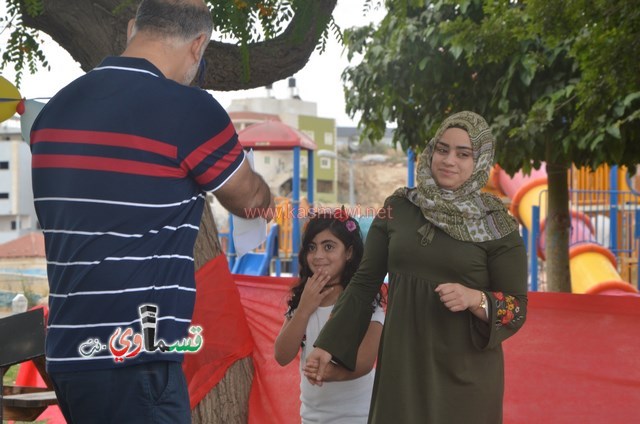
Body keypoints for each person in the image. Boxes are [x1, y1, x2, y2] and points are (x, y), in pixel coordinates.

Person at [30, 1, 273, 422]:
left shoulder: (53, 113)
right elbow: (249, 200)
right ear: (198, 45)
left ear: (131, 30)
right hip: (134, 360)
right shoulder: (189, 109)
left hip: (69, 354)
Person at [305, 111, 528, 423]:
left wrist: (474, 299)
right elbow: (364, 283)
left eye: (463, 154)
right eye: (442, 149)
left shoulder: (497, 226)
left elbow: (516, 309)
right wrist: (327, 344)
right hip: (403, 371)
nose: (449, 160)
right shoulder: (399, 207)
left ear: (479, 161)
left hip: (465, 381)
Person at [274, 210, 385, 423]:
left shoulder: (365, 302)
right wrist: (305, 308)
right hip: (311, 418)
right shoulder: (302, 300)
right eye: (311, 247)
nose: (318, 256)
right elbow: (282, 355)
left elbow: (365, 362)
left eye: (329, 246)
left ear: (349, 252)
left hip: (359, 417)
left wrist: (330, 373)